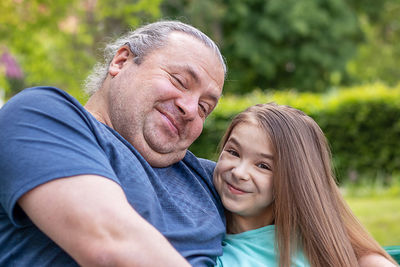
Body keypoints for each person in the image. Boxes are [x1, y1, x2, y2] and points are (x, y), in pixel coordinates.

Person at [0, 20, 227, 266]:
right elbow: (111, 246)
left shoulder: (214, 179)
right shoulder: (39, 115)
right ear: (121, 61)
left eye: (205, 108)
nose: (191, 109)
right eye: (179, 81)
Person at [213, 103, 397, 267]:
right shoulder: (200, 239)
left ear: (293, 180)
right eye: (233, 152)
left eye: (263, 166)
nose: (239, 172)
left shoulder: (319, 248)